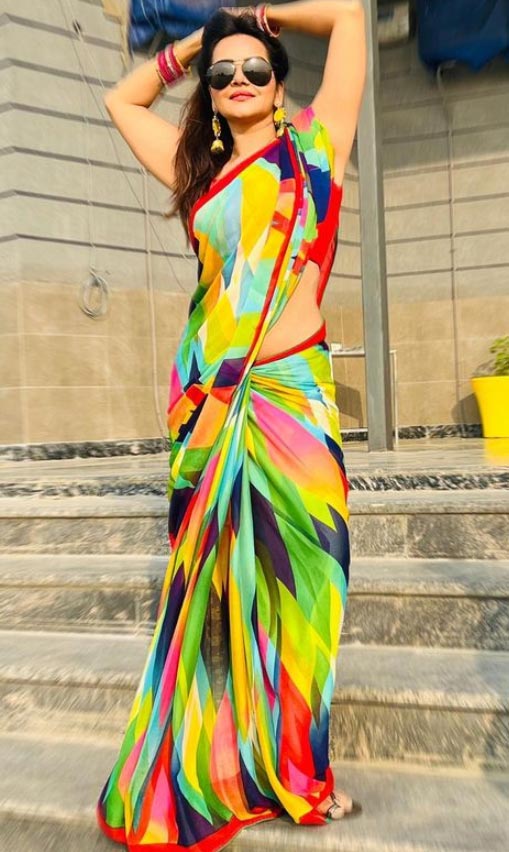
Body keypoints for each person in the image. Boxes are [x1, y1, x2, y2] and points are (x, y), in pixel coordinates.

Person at [96, 3, 366, 850]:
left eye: (254, 68)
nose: (239, 79)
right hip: (214, 410)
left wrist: (258, 16)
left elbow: (348, 19)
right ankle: (250, 769)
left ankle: (297, 766)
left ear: (280, 87)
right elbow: (120, 100)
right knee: (222, 600)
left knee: (311, 586)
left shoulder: (317, 146)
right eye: (224, 75)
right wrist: (198, 42)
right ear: (209, 94)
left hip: (292, 395)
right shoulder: (197, 175)